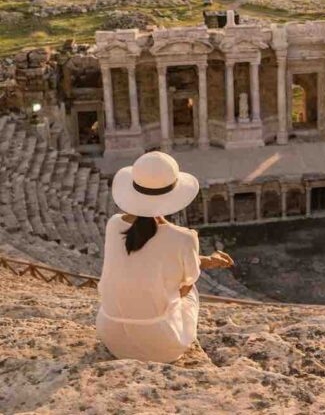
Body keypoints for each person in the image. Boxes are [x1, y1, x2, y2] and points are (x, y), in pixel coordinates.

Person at [96, 151, 233, 363]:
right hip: (161, 345)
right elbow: (184, 286)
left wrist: (206, 260)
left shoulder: (114, 224)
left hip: (112, 337)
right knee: (190, 287)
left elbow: (148, 257)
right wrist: (203, 260)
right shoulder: (184, 238)